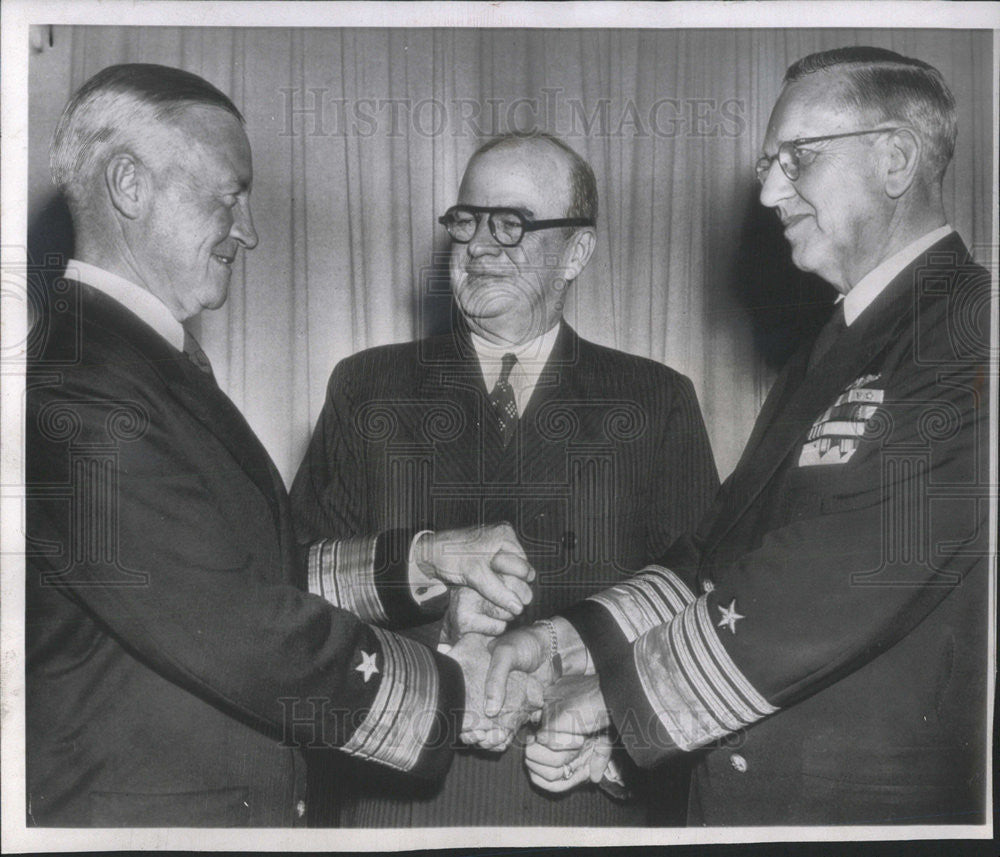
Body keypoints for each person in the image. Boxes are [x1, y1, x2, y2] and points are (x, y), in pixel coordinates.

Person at [25, 63, 543, 828]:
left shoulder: (133, 359)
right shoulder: (77, 385)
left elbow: (261, 562)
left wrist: (427, 557)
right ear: (129, 185)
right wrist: (453, 691)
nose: (249, 230)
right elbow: (232, 622)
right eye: (229, 194)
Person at [485, 47, 991, 826]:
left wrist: (618, 701)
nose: (767, 190)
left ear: (896, 158)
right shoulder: (832, 349)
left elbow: (843, 574)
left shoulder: (972, 329)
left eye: (798, 159)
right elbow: (721, 551)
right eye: (767, 163)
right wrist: (563, 642)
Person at [290, 132, 719, 825]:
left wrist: (585, 693)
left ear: (577, 250)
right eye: (467, 220)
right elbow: (300, 585)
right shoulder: (367, 388)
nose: (480, 246)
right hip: (397, 800)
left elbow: (698, 588)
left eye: (511, 223)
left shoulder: (652, 400)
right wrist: (446, 643)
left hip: (577, 791)